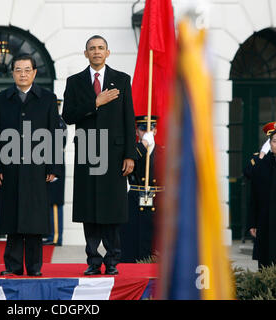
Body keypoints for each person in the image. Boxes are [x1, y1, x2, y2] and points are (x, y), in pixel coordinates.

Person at [62, 35, 137, 275]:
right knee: (89, 207)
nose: (96, 52)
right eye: (92, 49)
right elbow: (68, 116)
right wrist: (95, 102)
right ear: (86, 54)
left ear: (108, 52)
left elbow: (128, 119)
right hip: (87, 151)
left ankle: (113, 260)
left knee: (112, 208)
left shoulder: (122, 80)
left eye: (100, 48)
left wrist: (130, 155)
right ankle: (93, 261)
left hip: (115, 155)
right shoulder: (74, 82)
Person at [0, 53, 61, 276]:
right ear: (13, 73)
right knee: (12, 218)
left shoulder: (47, 98)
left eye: (27, 70)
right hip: (9, 168)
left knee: (35, 220)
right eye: (18, 70)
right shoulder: (0, 100)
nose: (23, 74)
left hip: (38, 168)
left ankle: (35, 267)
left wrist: (53, 166)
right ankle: (13, 266)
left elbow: (55, 134)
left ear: (34, 73)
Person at [119, 115, 164, 263]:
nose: (147, 132)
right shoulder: (131, 151)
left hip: (157, 201)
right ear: (136, 131)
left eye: (151, 128)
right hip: (135, 199)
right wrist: (142, 146)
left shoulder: (164, 152)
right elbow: (124, 167)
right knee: (132, 240)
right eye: (143, 129)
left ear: (156, 131)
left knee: (156, 240)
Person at [247, 127, 276, 269]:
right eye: (275, 141)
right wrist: (252, 222)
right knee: (266, 261)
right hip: (265, 220)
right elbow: (254, 196)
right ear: (269, 144)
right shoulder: (262, 164)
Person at [44, 101, 67, 246]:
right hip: (49, 163)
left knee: (55, 203)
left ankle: (56, 236)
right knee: (49, 202)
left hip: (55, 164)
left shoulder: (58, 122)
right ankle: (50, 234)